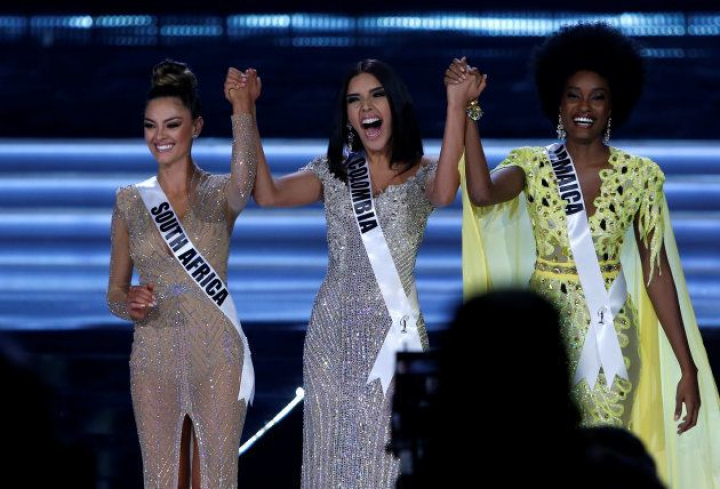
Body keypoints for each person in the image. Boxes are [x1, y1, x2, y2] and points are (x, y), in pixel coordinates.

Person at [450, 23, 720, 487]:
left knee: (602, 456)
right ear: (558, 103)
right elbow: (480, 193)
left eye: (597, 97)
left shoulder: (641, 175)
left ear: (613, 106)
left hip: (611, 333)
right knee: (537, 454)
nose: (584, 107)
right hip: (541, 337)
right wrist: (469, 113)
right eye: (573, 95)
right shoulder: (532, 165)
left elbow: (657, 275)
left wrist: (687, 367)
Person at [224, 59, 480, 488]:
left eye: (377, 95)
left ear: (395, 105)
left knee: (391, 461)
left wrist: (457, 103)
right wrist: (244, 110)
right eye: (354, 99)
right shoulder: (332, 173)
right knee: (330, 460)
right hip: (332, 335)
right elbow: (267, 195)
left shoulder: (423, 171)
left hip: (397, 334)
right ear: (346, 115)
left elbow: (444, 193)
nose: (367, 107)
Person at [107, 59, 256, 489]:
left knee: (215, 478)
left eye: (172, 124)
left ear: (197, 126)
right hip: (154, 354)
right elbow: (114, 292)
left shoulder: (221, 193)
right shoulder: (130, 201)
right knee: (161, 478)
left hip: (218, 354)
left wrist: (242, 108)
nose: (160, 136)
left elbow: (246, 180)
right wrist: (128, 303)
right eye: (150, 126)